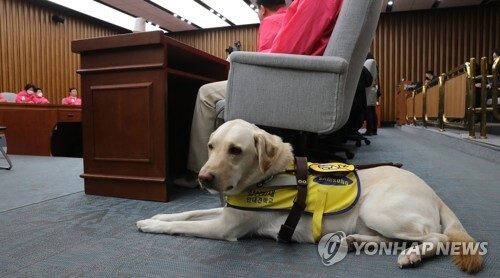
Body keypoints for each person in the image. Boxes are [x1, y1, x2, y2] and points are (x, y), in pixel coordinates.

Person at [175, 0, 344, 188]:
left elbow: (280, 54)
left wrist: (240, 61)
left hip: (282, 82)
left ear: (262, 9)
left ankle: (200, 169)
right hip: (305, 82)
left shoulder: (277, 18)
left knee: (206, 93)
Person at [363, 53, 378, 136]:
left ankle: (369, 130)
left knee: (368, 110)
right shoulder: (375, 65)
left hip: (369, 90)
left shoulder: (368, 65)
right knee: (373, 110)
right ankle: (374, 129)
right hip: (374, 89)